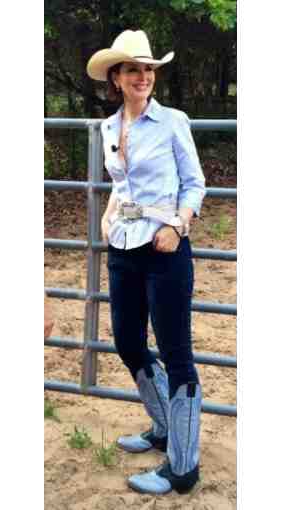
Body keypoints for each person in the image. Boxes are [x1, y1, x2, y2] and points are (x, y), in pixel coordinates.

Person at [86, 29, 206, 495]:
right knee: (128, 342)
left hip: (165, 247)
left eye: (149, 69)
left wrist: (177, 226)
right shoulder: (109, 127)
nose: (143, 76)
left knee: (176, 354)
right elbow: (122, 183)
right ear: (116, 78)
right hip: (123, 246)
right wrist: (110, 214)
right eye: (133, 69)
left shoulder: (173, 121)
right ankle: (163, 428)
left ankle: (183, 467)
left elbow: (194, 184)